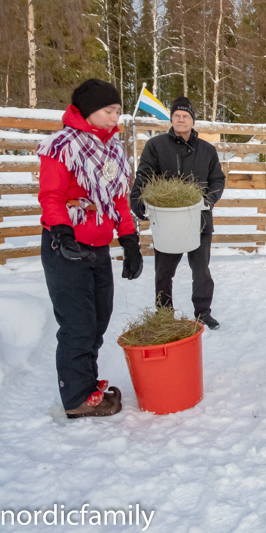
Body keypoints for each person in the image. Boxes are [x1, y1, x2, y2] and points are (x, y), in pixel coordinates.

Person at [37, 78, 143, 418]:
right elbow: (52, 196)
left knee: (98, 318)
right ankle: (77, 399)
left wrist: (129, 240)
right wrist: (62, 233)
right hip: (65, 246)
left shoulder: (111, 149)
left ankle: (87, 382)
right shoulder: (62, 147)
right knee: (77, 323)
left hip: (97, 247)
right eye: (109, 111)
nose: (116, 117)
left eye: (117, 111)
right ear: (90, 110)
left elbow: (116, 200)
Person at [130, 97, 226, 330]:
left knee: (201, 270)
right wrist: (137, 199)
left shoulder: (207, 150)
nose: (181, 119)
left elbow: (217, 179)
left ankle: (203, 312)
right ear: (171, 119)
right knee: (164, 272)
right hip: (167, 220)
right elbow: (144, 175)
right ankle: (164, 313)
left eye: (186, 116)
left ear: (192, 120)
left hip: (199, 220)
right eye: (176, 116)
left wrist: (208, 200)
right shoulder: (156, 146)